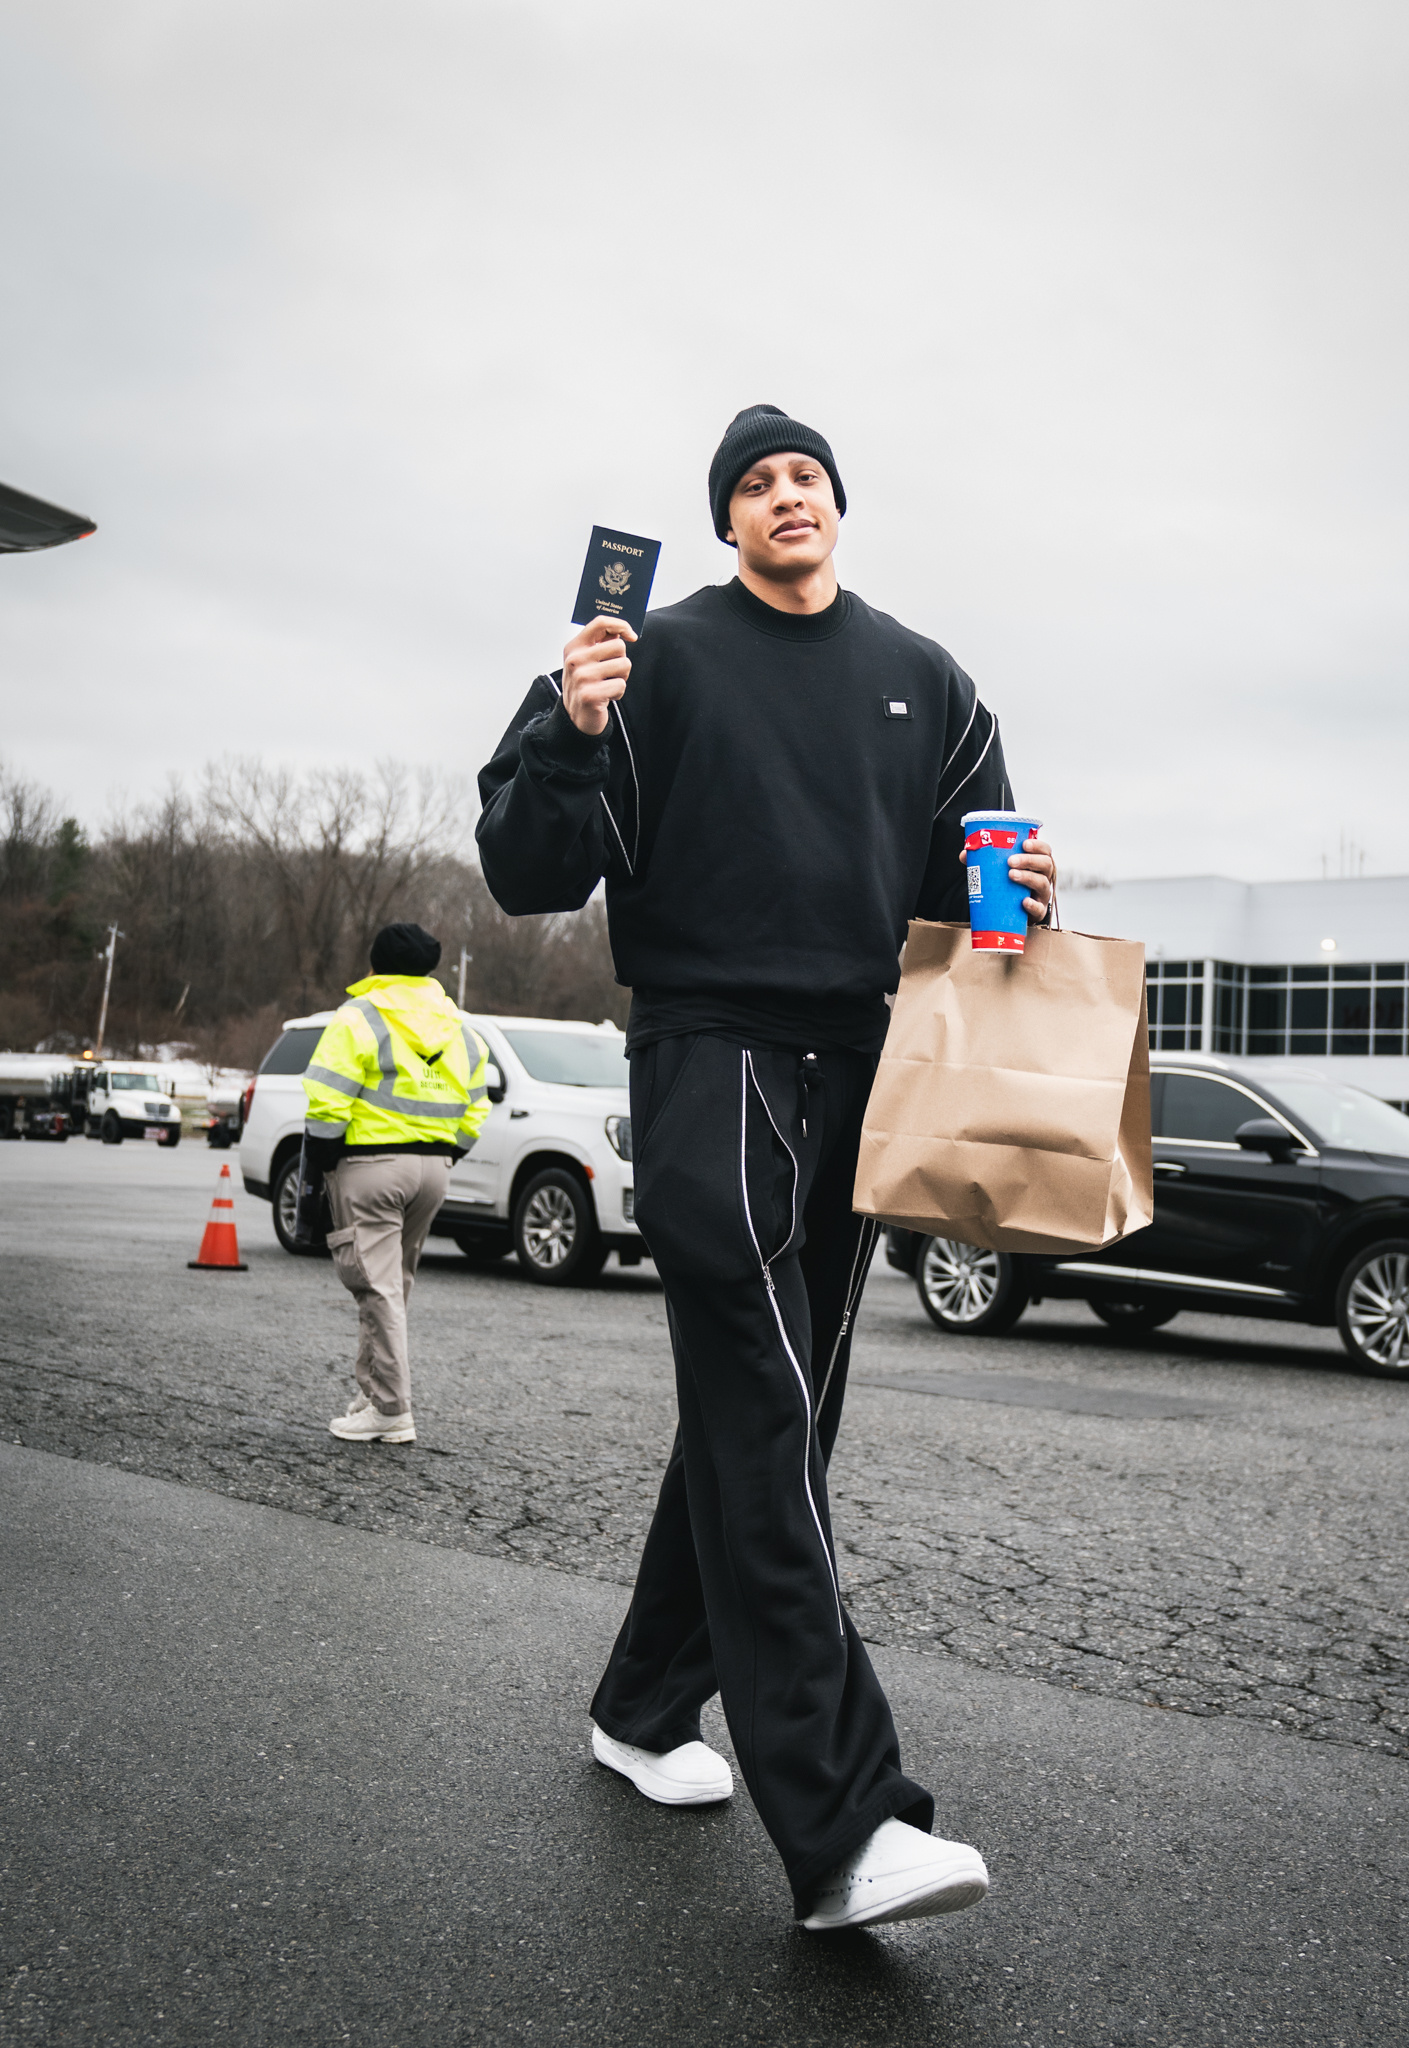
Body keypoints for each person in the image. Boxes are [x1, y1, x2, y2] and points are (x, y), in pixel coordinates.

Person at [475, 405, 1055, 1931]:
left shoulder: (925, 680)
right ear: (726, 523)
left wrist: (1025, 900)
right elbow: (529, 873)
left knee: (776, 1414)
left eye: (802, 475)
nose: (781, 495)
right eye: (751, 483)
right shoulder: (641, 655)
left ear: (835, 508)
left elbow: (968, 911)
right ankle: (847, 1826)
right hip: (706, 1054)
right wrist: (572, 728)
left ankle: (643, 1706)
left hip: (859, 1067)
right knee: (765, 1406)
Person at [300, 921, 492, 1445]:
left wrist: (323, 1159)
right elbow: (478, 1104)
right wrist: (449, 1150)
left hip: (372, 1165)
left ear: (375, 964)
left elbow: (327, 1099)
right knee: (391, 1286)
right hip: (434, 1170)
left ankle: (391, 1408)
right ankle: (371, 1393)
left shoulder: (360, 1015)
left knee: (376, 1285)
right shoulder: (459, 1025)